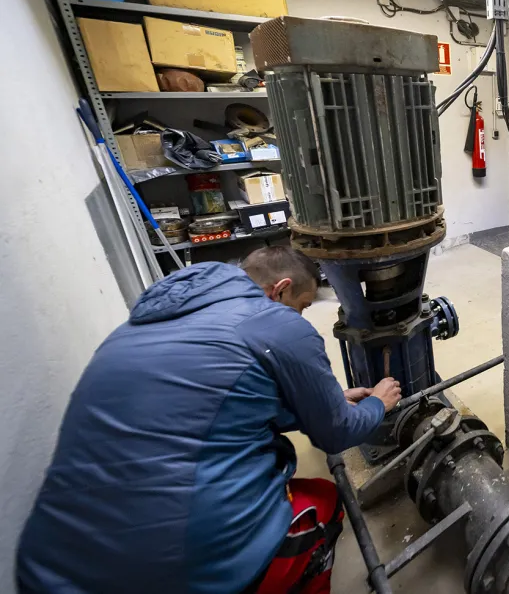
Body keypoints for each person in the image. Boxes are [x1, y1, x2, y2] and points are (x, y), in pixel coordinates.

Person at [17, 247, 401, 594]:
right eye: (300, 305)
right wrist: (378, 405)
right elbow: (336, 435)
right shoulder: (276, 326)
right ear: (280, 289)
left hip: (48, 567)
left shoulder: (137, 327)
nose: (300, 316)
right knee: (326, 500)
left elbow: (220, 402)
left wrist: (326, 401)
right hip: (172, 571)